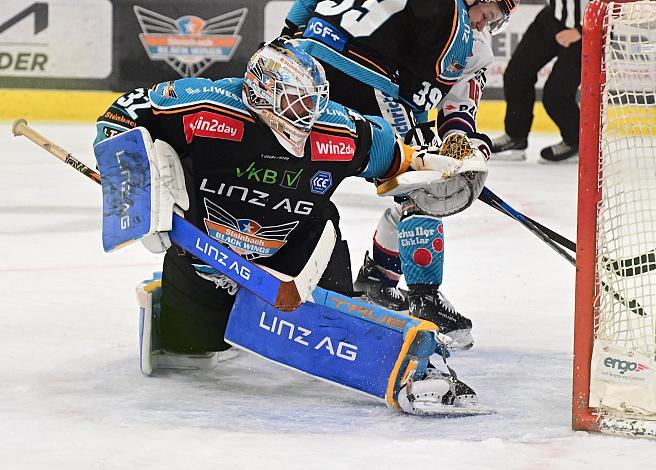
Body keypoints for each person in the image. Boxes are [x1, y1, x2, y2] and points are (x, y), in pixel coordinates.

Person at [93, 41, 484, 413]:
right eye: (295, 101)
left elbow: (398, 159)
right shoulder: (206, 106)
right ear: (261, 91)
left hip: (300, 258)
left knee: (330, 330)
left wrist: (437, 172)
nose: (306, 114)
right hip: (205, 259)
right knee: (188, 355)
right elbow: (119, 117)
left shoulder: (338, 130)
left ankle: (359, 331)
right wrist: (135, 190)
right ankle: (197, 305)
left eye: (312, 102)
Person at [281, 0, 515, 349]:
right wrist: (454, 155)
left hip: (298, 67)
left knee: (288, 168)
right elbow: (426, 101)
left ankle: (258, 255)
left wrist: (285, 38)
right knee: (425, 188)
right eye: (488, 16)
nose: (483, 26)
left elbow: (305, 5)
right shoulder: (461, 30)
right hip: (366, 81)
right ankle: (419, 297)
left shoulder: (459, 25)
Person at [491, 0, 585, 163]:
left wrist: (581, 30)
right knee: (517, 74)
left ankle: (576, 141)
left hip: (590, 30)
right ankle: (516, 137)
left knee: (556, 95)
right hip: (554, 17)